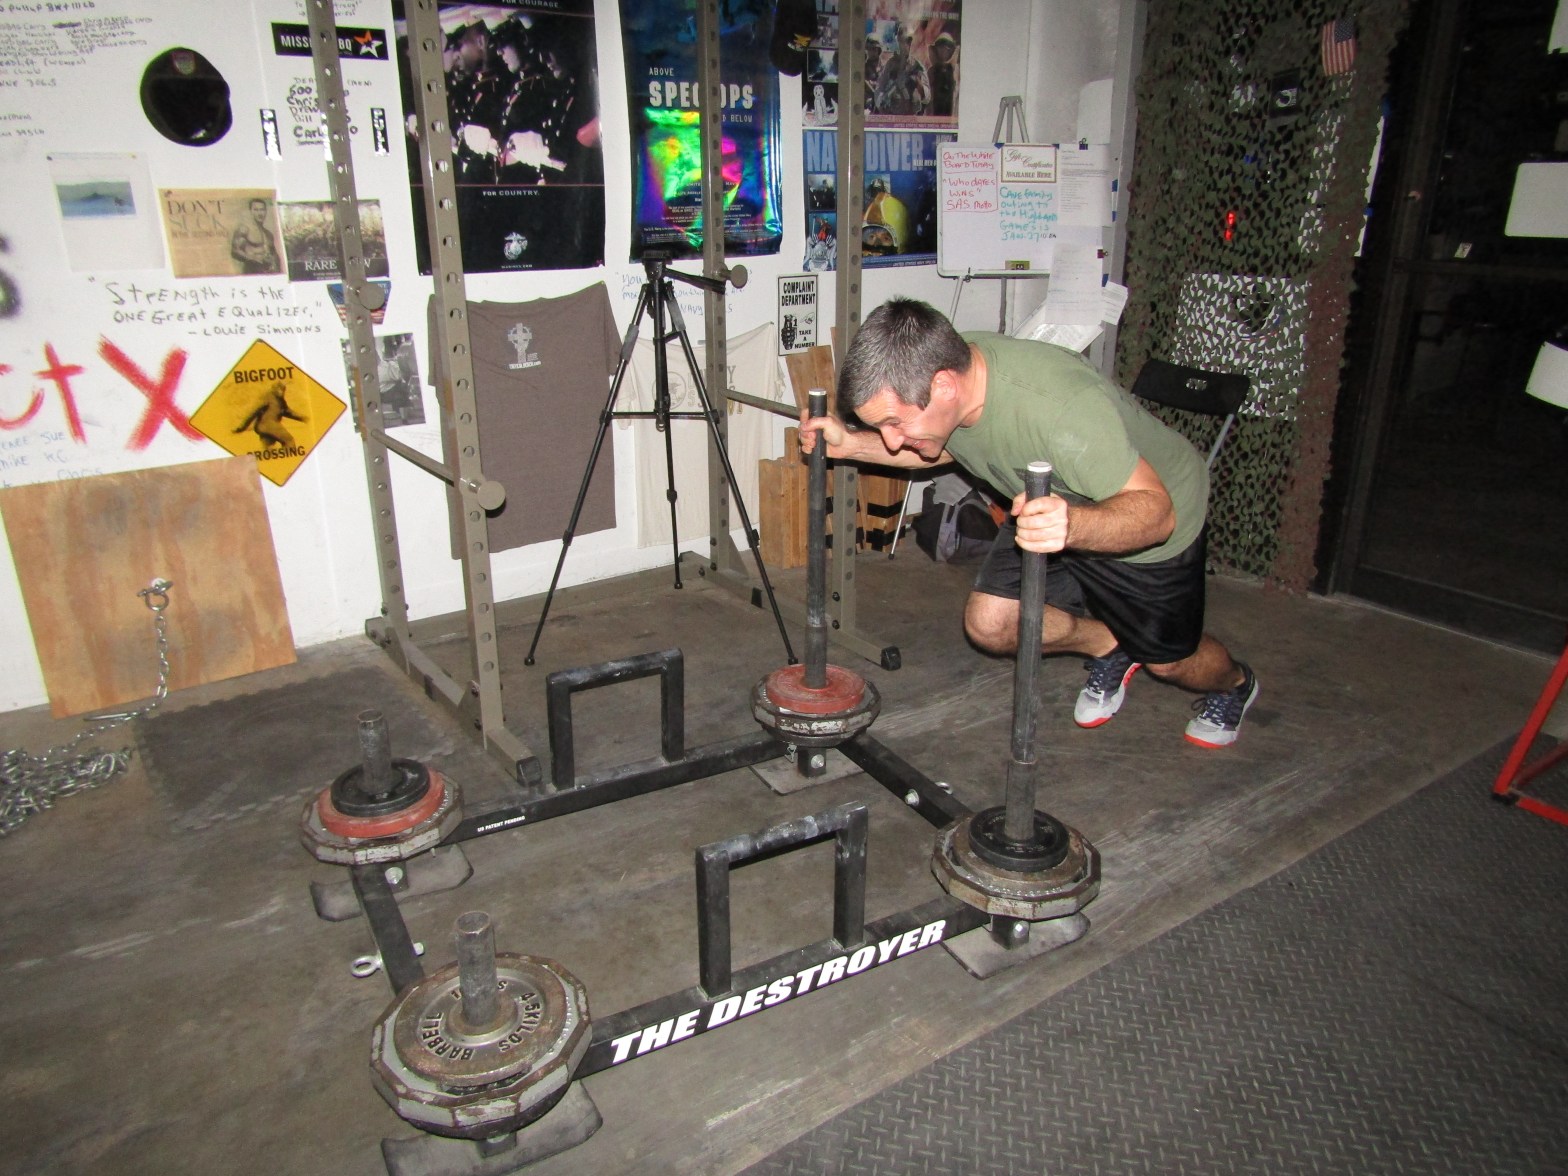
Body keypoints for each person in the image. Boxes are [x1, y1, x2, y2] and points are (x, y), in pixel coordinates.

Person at [801, 298, 1259, 748]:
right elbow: (941, 445)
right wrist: (852, 445)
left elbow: (1158, 515)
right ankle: (1112, 642)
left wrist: (1072, 527)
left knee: (1171, 662)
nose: (890, 441)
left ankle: (1236, 685)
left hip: (1145, 517)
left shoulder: (1060, 410)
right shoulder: (952, 370)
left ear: (944, 386)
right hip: (1052, 501)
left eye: (894, 423)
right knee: (992, 623)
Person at [230, 198, 280, 275]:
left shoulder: (268, 234)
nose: (260, 213)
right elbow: (235, 251)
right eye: (256, 210)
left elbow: (274, 255)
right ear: (251, 211)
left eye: (262, 210)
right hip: (251, 272)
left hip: (267, 273)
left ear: (266, 211)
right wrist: (253, 258)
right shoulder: (244, 229)